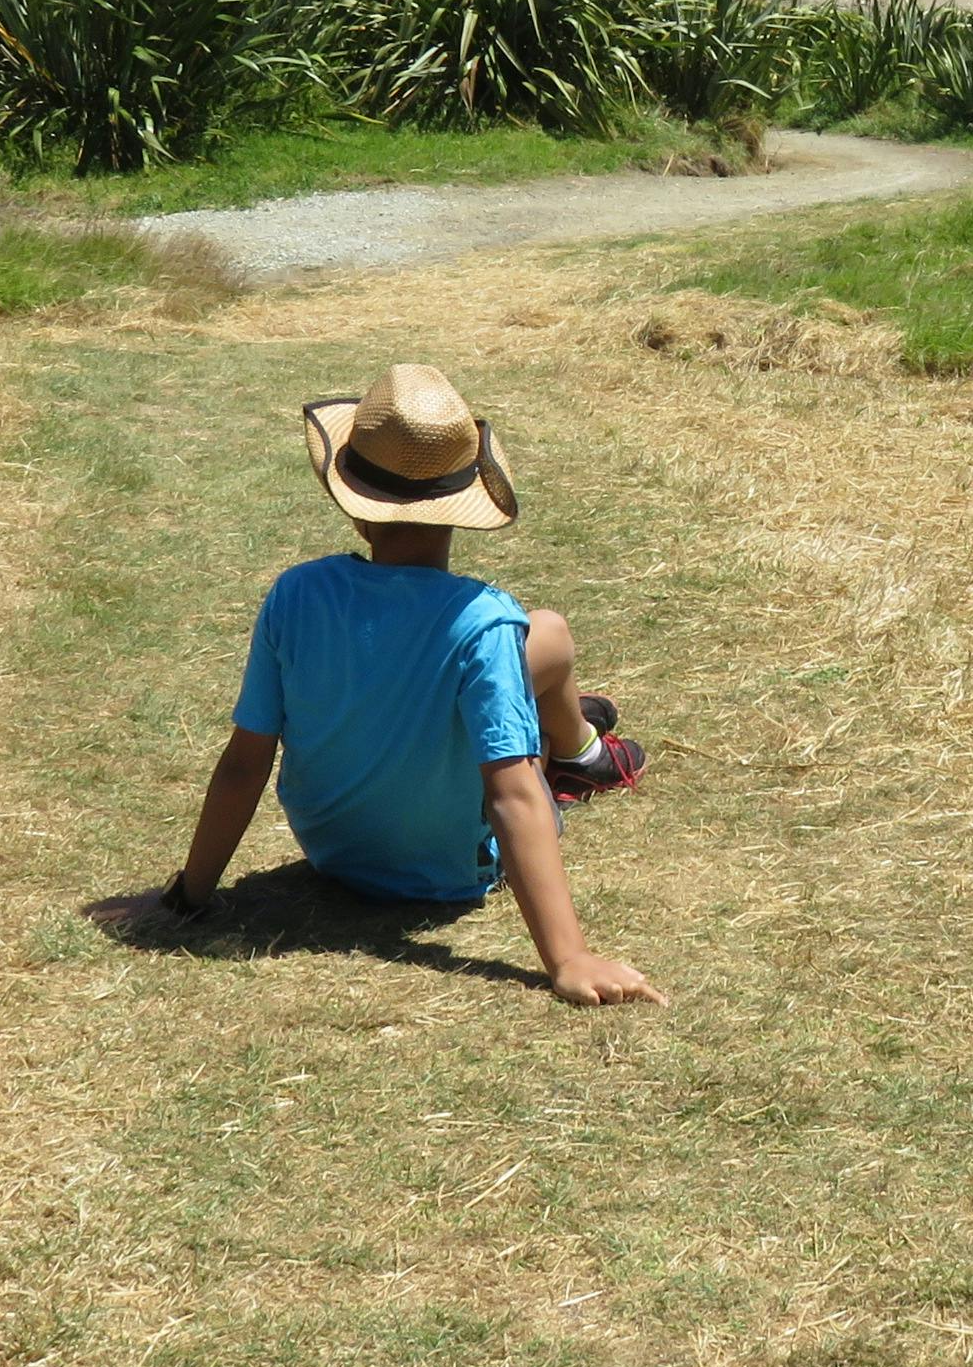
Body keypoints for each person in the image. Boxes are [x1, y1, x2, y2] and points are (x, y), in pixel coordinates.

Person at [156, 364, 664, 1007]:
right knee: (550, 635)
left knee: (520, 652)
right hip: (453, 872)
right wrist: (568, 958)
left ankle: (562, 733)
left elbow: (243, 763)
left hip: (335, 853)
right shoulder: (483, 621)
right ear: (462, 506)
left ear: (359, 511)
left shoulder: (297, 595)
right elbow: (512, 799)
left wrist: (189, 896)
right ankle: (582, 755)